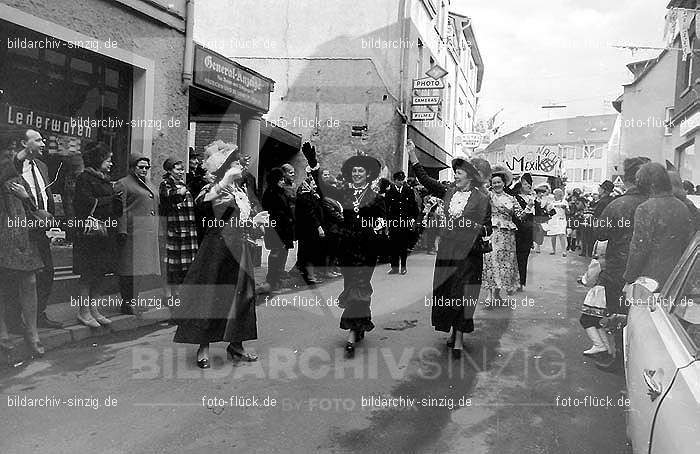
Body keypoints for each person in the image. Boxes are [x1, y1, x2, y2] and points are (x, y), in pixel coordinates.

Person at [173, 142, 268, 368]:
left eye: (239, 161)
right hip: (217, 248)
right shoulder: (213, 187)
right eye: (234, 162)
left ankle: (236, 345)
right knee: (210, 295)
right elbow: (202, 204)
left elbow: (246, 220)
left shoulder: (242, 190)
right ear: (224, 167)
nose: (240, 165)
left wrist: (258, 223)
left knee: (242, 297)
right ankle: (203, 346)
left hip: (240, 250)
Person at [407, 141, 492, 358]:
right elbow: (425, 179)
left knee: (462, 292)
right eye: (455, 172)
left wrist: (469, 225)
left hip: (469, 253)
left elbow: (487, 227)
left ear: (470, 176)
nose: (455, 175)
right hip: (447, 250)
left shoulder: (482, 198)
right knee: (447, 292)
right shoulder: (448, 191)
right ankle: (452, 329)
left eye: (459, 172)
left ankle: (460, 338)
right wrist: (413, 155)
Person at [301, 142, 386, 358]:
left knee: (361, 286)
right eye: (354, 170)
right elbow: (323, 189)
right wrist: (314, 164)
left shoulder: (376, 198)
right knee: (351, 286)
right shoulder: (345, 192)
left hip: (366, 250)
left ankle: (352, 332)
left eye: (361, 171)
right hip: (347, 248)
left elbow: (383, 221)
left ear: (368, 175)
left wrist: (375, 231)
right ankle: (359, 325)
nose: (357, 174)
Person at [593, 156, 650, 371]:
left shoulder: (618, 205)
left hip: (619, 269)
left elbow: (601, 233)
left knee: (618, 313)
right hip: (648, 272)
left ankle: (618, 360)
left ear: (626, 180)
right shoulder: (652, 203)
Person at [0, 145, 47, 356]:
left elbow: (33, 209)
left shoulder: (18, 178)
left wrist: (25, 196)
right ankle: (2, 331)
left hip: (21, 235)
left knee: (30, 281)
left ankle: (32, 331)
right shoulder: (9, 170)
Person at [13, 129, 62, 329]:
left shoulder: (42, 165)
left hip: (40, 228)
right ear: (25, 144)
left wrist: (51, 220)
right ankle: (15, 320)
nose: (43, 143)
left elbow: (46, 194)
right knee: (20, 274)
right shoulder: (14, 166)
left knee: (47, 272)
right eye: (38, 140)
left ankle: (38, 315)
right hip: (20, 228)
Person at [72, 142, 123, 327]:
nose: (111, 164)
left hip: (106, 231)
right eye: (108, 160)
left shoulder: (105, 179)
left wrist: (116, 199)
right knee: (88, 273)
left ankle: (94, 309)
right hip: (90, 233)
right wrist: (111, 198)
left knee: (101, 272)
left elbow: (113, 206)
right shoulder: (85, 178)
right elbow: (83, 202)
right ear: (98, 159)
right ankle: (83, 311)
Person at [624, 163, 693, 287]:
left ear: (647, 184)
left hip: (649, 278)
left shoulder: (646, 208)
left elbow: (639, 248)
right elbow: (687, 242)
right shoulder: (682, 206)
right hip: (677, 277)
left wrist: (629, 277)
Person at [114, 155, 161, 315]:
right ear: (133, 167)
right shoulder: (123, 184)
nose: (144, 170)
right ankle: (127, 302)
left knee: (141, 269)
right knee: (129, 269)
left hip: (147, 233)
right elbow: (120, 209)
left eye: (146, 167)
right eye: (140, 167)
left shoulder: (150, 184)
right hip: (132, 233)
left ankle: (134, 299)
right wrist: (122, 230)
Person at [483, 168, 528, 299]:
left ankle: (497, 293)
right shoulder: (487, 196)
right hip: (491, 232)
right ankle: (489, 294)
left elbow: (521, 216)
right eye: (494, 182)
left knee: (504, 263)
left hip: (507, 236)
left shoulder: (511, 198)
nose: (496, 185)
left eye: (499, 182)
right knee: (490, 260)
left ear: (504, 183)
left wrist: (530, 206)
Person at [159, 158, 198, 300]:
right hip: (174, 228)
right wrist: (181, 192)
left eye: (182, 169)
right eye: (178, 169)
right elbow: (169, 198)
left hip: (187, 228)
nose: (181, 172)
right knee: (172, 264)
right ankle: (168, 293)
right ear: (169, 170)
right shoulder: (166, 184)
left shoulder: (182, 183)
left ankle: (177, 292)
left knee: (183, 265)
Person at [262, 167, 295, 291]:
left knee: (283, 253)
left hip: (284, 228)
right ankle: (271, 280)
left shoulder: (281, 191)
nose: (282, 181)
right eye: (280, 179)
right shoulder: (270, 193)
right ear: (274, 180)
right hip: (276, 229)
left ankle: (277, 279)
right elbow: (269, 212)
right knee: (276, 253)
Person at [386, 170, 419, 274]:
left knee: (403, 245)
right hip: (393, 222)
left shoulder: (408, 190)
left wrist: (413, 217)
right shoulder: (389, 192)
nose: (401, 182)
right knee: (393, 245)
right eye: (399, 180)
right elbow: (386, 208)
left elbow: (413, 205)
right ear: (394, 181)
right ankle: (394, 267)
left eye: (402, 180)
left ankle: (403, 267)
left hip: (405, 221)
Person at [295, 172, 325, 284]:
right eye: (313, 183)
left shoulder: (310, 194)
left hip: (309, 229)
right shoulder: (305, 196)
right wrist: (319, 227)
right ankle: (310, 277)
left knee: (308, 252)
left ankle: (310, 276)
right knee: (308, 253)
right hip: (308, 229)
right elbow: (311, 213)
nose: (316, 186)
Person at [513, 173, 538, 290]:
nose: (528, 185)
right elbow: (517, 216)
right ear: (520, 185)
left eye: (529, 183)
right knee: (516, 258)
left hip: (528, 233)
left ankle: (521, 282)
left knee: (524, 258)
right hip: (517, 231)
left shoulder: (533, 199)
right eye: (524, 183)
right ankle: (515, 281)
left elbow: (535, 218)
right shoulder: (515, 198)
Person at [543, 188, 568, 256]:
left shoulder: (564, 202)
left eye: (555, 194)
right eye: (554, 194)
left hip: (561, 220)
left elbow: (568, 210)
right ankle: (553, 250)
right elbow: (547, 210)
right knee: (553, 236)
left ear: (560, 195)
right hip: (553, 220)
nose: (554, 196)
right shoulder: (552, 202)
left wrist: (563, 207)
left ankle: (564, 251)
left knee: (561, 235)